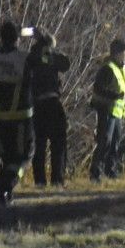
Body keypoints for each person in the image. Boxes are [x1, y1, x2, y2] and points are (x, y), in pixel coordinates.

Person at [0, 20, 34, 206]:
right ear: (17, 38)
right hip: (21, 119)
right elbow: (38, 60)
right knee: (24, 158)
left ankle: (4, 195)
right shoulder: (23, 59)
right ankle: (3, 184)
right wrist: (38, 36)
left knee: (7, 158)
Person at [28, 31, 72, 188]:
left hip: (37, 106)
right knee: (58, 145)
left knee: (39, 146)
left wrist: (44, 46)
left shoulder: (32, 58)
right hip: (52, 103)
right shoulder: (44, 57)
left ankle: (40, 181)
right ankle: (57, 181)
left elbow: (65, 63)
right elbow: (64, 63)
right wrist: (48, 47)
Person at [89, 37, 125, 181]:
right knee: (104, 142)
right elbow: (98, 89)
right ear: (118, 53)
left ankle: (110, 170)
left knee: (115, 143)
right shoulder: (108, 68)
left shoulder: (122, 67)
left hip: (117, 112)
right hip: (106, 110)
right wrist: (114, 96)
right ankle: (96, 172)